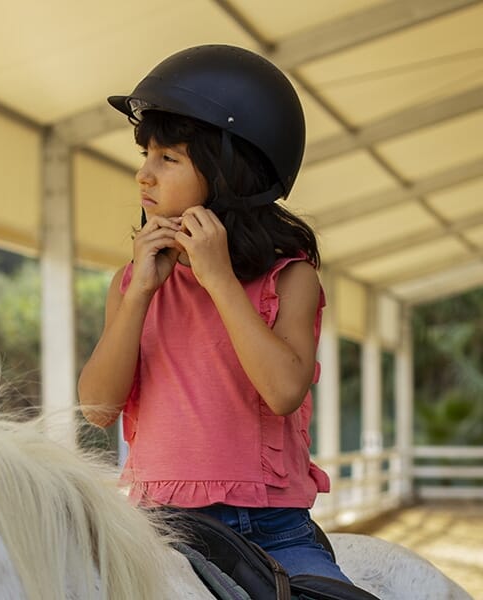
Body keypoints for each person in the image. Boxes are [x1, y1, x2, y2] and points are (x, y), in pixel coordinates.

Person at [77, 44, 352, 584]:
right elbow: (96, 408)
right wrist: (138, 297)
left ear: (228, 176)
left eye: (168, 158)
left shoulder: (290, 279)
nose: (144, 176)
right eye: (144, 157)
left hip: (272, 530)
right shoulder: (134, 283)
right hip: (161, 528)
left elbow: (282, 391)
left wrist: (220, 279)